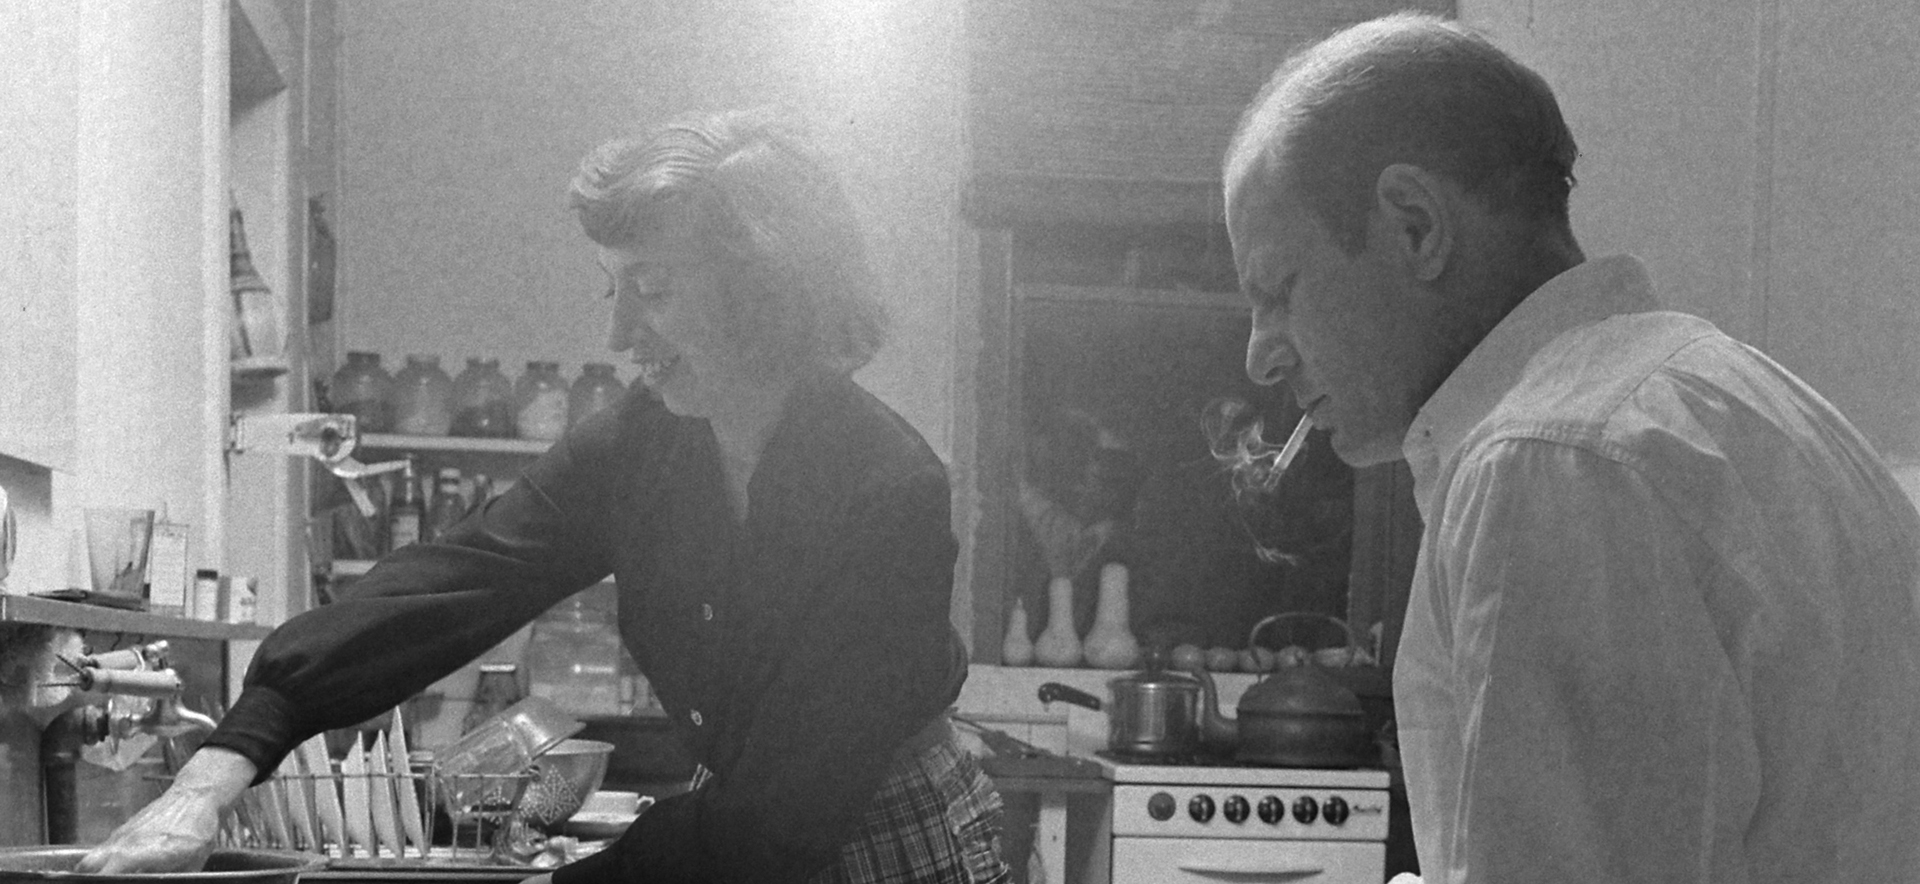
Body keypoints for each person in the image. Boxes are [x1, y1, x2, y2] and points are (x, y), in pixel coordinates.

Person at [80, 107, 1010, 884]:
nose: (617, 330)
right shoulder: (643, 443)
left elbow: (781, 823)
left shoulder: (885, 491)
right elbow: (456, 580)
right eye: (612, 286)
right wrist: (217, 771)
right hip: (739, 831)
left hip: (889, 837)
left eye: (650, 287)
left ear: (765, 287)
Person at [1223, 12, 1920, 883]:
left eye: (1277, 289)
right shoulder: (1733, 401)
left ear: (1414, 225)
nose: (1260, 353)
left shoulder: (1550, 466)